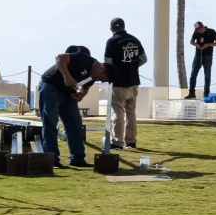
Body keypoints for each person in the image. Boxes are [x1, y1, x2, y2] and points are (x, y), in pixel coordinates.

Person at [38, 45, 101, 168]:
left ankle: (77, 158)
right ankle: (52, 158)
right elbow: (59, 58)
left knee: (75, 124)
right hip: (51, 87)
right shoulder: (71, 62)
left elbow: (86, 86)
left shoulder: (91, 71)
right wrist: (67, 76)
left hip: (67, 93)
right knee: (50, 123)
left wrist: (80, 95)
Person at [103, 18, 147, 150]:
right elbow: (143, 59)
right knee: (131, 112)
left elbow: (107, 62)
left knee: (118, 112)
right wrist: (132, 67)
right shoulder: (134, 40)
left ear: (112, 29)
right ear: (124, 26)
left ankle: (117, 142)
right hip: (133, 82)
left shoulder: (112, 41)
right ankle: (131, 141)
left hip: (118, 82)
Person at [188, 21, 216, 98]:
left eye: (199, 29)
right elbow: (191, 41)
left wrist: (208, 45)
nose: (198, 31)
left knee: (207, 75)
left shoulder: (211, 31)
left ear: (202, 27)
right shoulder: (196, 33)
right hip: (198, 55)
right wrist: (196, 44)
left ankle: (206, 93)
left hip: (208, 56)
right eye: (197, 30)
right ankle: (191, 92)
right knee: (193, 74)